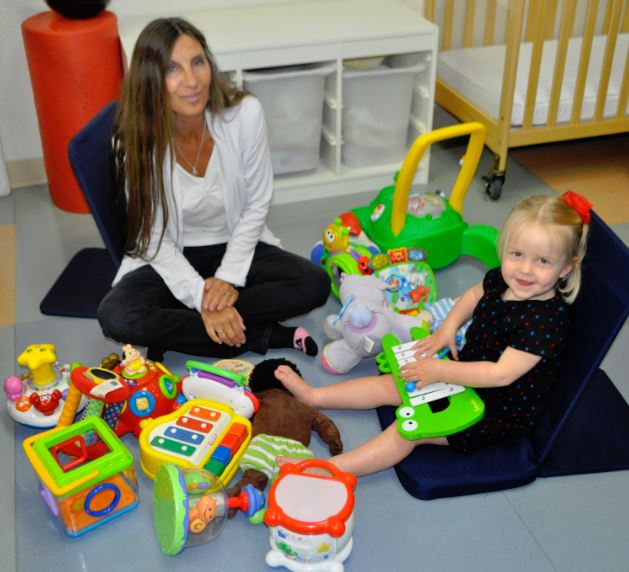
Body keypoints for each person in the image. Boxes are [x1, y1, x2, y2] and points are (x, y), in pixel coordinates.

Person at [274, 192, 592, 476]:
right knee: (393, 382)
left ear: (566, 267)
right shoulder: (502, 280)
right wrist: (449, 328)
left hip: (493, 410)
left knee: (408, 428)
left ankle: (327, 469)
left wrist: (439, 370)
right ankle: (315, 396)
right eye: (516, 255)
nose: (524, 269)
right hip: (464, 372)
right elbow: (470, 296)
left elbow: (500, 375)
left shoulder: (545, 323)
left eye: (543, 261)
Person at [97, 18, 330, 360]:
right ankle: (260, 335)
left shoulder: (244, 114)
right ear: (150, 80)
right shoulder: (131, 142)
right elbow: (153, 237)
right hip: (171, 253)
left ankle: (184, 332)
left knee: (314, 284)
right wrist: (201, 298)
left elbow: (256, 203)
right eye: (172, 69)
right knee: (115, 315)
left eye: (198, 62)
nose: (191, 81)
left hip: (235, 243)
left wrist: (226, 279)